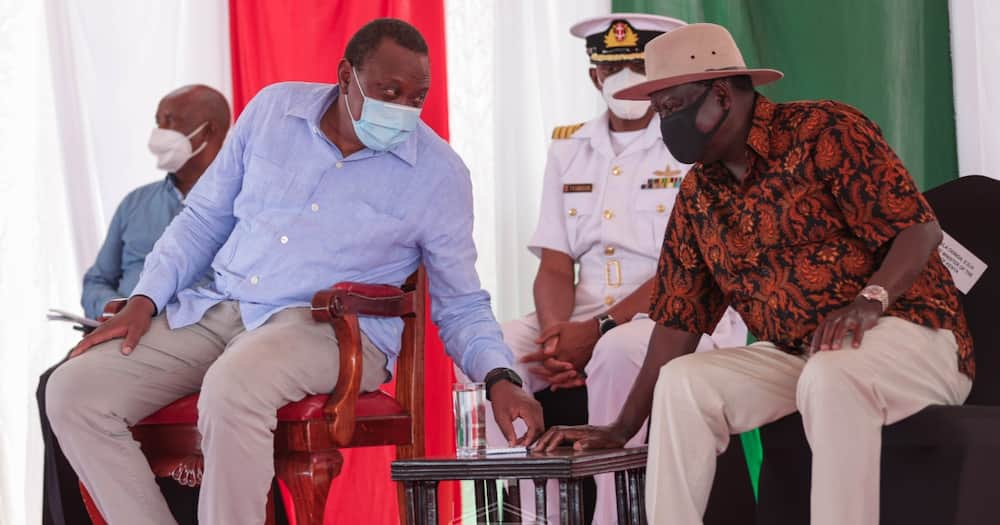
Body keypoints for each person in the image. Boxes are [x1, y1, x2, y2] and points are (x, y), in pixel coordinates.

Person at [45, 18, 543, 524]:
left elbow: (461, 304)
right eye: (388, 92)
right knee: (73, 392)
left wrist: (500, 376)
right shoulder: (272, 111)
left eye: (417, 98)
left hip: (329, 330)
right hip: (219, 308)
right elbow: (201, 220)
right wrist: (144, 300)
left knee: (234, 384)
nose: (403, 109)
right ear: (346, 76)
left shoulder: (440, 175)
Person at [533, 23, 974, 525]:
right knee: (684, 382)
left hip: (911, 338)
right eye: (659, 112)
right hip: (800, 354)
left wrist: (869, 300)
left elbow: (918, 229)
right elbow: (678, 320)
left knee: (832, 374)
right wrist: (621, 424)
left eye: (672, 108)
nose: (663, 125)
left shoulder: (824, 131)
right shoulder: (700, 192)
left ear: (720, 94)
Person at [479, 14, 746, 524]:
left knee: (618, 348)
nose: (624, 77)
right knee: (500, 347)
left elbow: (687, 269)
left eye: (636, 66)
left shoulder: (689, 145)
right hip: (585, 309)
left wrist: (597, 329)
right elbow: (555, 264)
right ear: (594, 77)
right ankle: (531, 513)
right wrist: (558, 336)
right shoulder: (569, 147)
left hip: (679, 308)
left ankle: (614, 512)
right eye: (612, 66)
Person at [37, 84, 230, 525]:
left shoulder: (238, 202)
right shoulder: (136, 204)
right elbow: (97, 278)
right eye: (157, 120)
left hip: (191, 334)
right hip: (121, 332)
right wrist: (112, 306)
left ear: (212, 130)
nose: (159, 133)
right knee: (54, 384)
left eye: (170, 122)